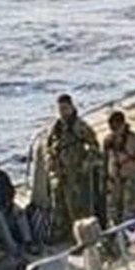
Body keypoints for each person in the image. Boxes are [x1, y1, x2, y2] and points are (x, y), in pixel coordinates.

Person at [45, 93, 102, 242]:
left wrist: (86, 163)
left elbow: (94, 146)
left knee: (81, 208)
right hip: (62, 173)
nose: (63, 112)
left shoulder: (80, 126)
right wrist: (51, 160)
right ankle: (66, 234)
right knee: (63, 206)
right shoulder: (56, 127)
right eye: (60, 109)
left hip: (78, 173)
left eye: (65, 108)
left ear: (71, 107)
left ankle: (84, 239)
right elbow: (49, 147)